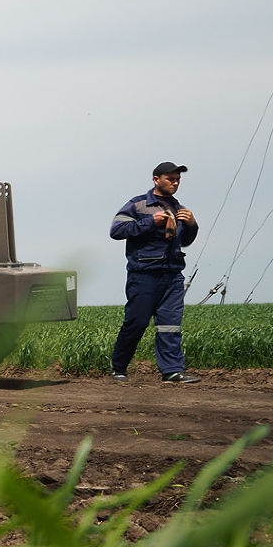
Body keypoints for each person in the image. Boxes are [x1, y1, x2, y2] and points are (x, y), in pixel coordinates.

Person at [109, 161, 199, 382]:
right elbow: (117, 230)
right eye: (171, 179)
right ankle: (118, 367)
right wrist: (151, 221)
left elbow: (185, 242)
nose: (175, 183)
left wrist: (192, 225)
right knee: (137, 322)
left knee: (170, 325)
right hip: (144, 275)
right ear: (156, 180)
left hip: (172, 275)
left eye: (178, 179)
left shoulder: (179, 209)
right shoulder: (138, 205)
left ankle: (172, 371)